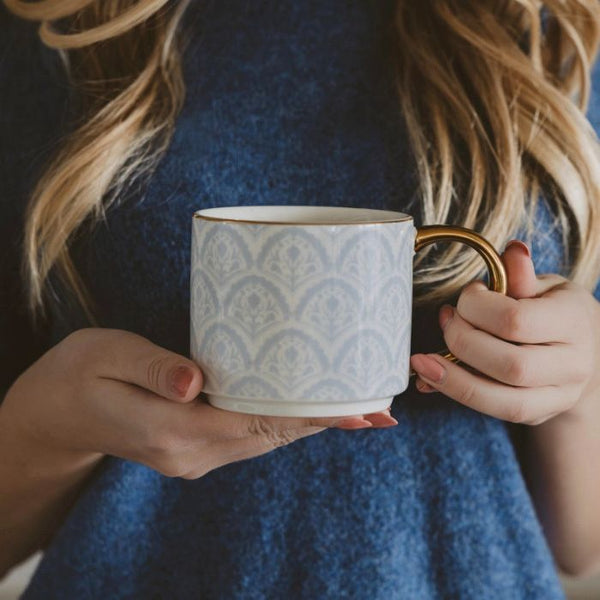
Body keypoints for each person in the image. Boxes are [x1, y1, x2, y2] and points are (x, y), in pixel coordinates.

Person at [1, 1, 599, 598]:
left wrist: (584, 389)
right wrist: (54, 423)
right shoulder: (57, 27)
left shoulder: (548, 33)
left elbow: (580, 544)